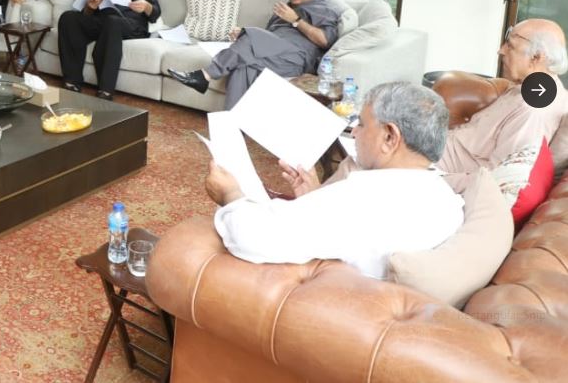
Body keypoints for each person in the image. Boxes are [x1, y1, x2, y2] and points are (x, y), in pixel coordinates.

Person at [206, 82, 463, 280]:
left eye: (362, 124)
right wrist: (315, 198)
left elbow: (252, 237)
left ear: (389, 137)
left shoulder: (362, 199)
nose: (355, 132)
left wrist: (230, 195)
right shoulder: (447, 199)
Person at [169, 0, 341, 109]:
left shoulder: (324, 9)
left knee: (252, 35)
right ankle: (232, 126)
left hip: (296, 59)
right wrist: (243, 35)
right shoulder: (284, 9)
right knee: (242, 67)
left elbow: (324, 40)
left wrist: (295, 20)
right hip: (274, 56)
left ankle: (205, 75)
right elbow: (268, 39)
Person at [438, 18, 568, 173]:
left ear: (536, 57)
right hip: (434, 152)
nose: (501, 51)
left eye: (510, 46)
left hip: (436, 171)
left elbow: (497, 179)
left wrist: (435, 177)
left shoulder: (533, 109)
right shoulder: (533, 89)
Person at [57, 0, 161, 101]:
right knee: (68, 17)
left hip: (130, 25)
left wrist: (146, 6)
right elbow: (86, 13)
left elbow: (156, 13)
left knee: (112, 22)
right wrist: (90, 7)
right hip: (103, 22)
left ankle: (105, 90)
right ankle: (72, 81)